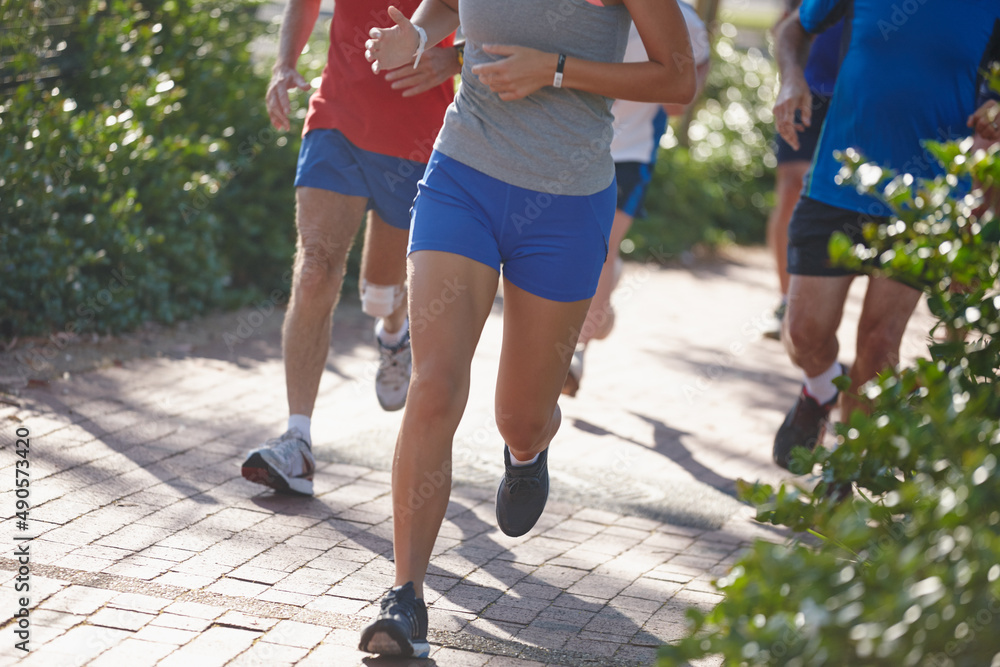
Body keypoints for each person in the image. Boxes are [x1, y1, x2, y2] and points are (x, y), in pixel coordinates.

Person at [357, 0, 695, 657]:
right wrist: (418, 36)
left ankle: (529, 448)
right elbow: (448, 9)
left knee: (520, 414)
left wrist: (561, 70)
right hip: (464, 176)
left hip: (567, 200)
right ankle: (405, 596)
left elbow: (678, 78)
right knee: (434, 386)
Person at [239, 0, 462, 496]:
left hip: (416, 133)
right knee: (315, 268)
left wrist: (456, 58)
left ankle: (392, 331)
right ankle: (296, 440)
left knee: (381, 292)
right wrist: (284, 65)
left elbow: (512, 22)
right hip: (336, 116)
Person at [771, 0, 1000, 470]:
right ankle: (818, 388)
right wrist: (792, 78)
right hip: (838, 181)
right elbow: (794, 29)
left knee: (878, 346)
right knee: (803, 333)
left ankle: (847, 470)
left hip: (926, 198)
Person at [563, 1, 710, 396]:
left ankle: (576, 351)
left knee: (604, 247)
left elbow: (678, 104)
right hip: (571, 138)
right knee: (575, 248)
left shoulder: (684, 19)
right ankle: (600, 313)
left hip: (629, 150)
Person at [760, 3, 843, 341]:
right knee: (794, 185)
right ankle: (785, 300)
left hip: (861, 100)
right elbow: (786, 25)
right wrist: (791, 73)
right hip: (808, 89)